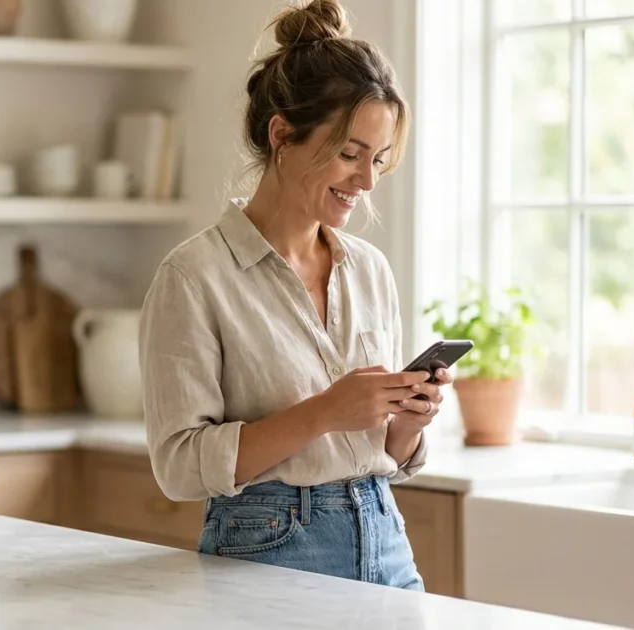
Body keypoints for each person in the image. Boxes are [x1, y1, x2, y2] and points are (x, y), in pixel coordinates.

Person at [137, 0, 452, 591]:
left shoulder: (370, 270)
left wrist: (410, 421)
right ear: (283, 135)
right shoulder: (194, 277)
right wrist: (325, 413)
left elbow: (382, 448)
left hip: (384, 535)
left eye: (379, 159)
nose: (367, 180)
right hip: (267, 547)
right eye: (349, 153)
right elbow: (179, 466)